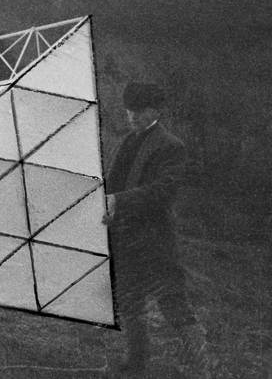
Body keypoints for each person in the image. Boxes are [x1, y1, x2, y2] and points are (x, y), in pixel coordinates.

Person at [102, 81, 211, 378]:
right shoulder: (127, 141)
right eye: (129, 111)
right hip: (124, 238)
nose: (133, 116)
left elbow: (161, 193)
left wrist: (117, 202)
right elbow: (113, 183)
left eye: (140, 111)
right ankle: (137, 364)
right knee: (130, 304)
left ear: (156, 111)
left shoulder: (172, 146)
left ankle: (201, 370)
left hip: (155, 241)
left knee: (174, 305)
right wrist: (105, 204)